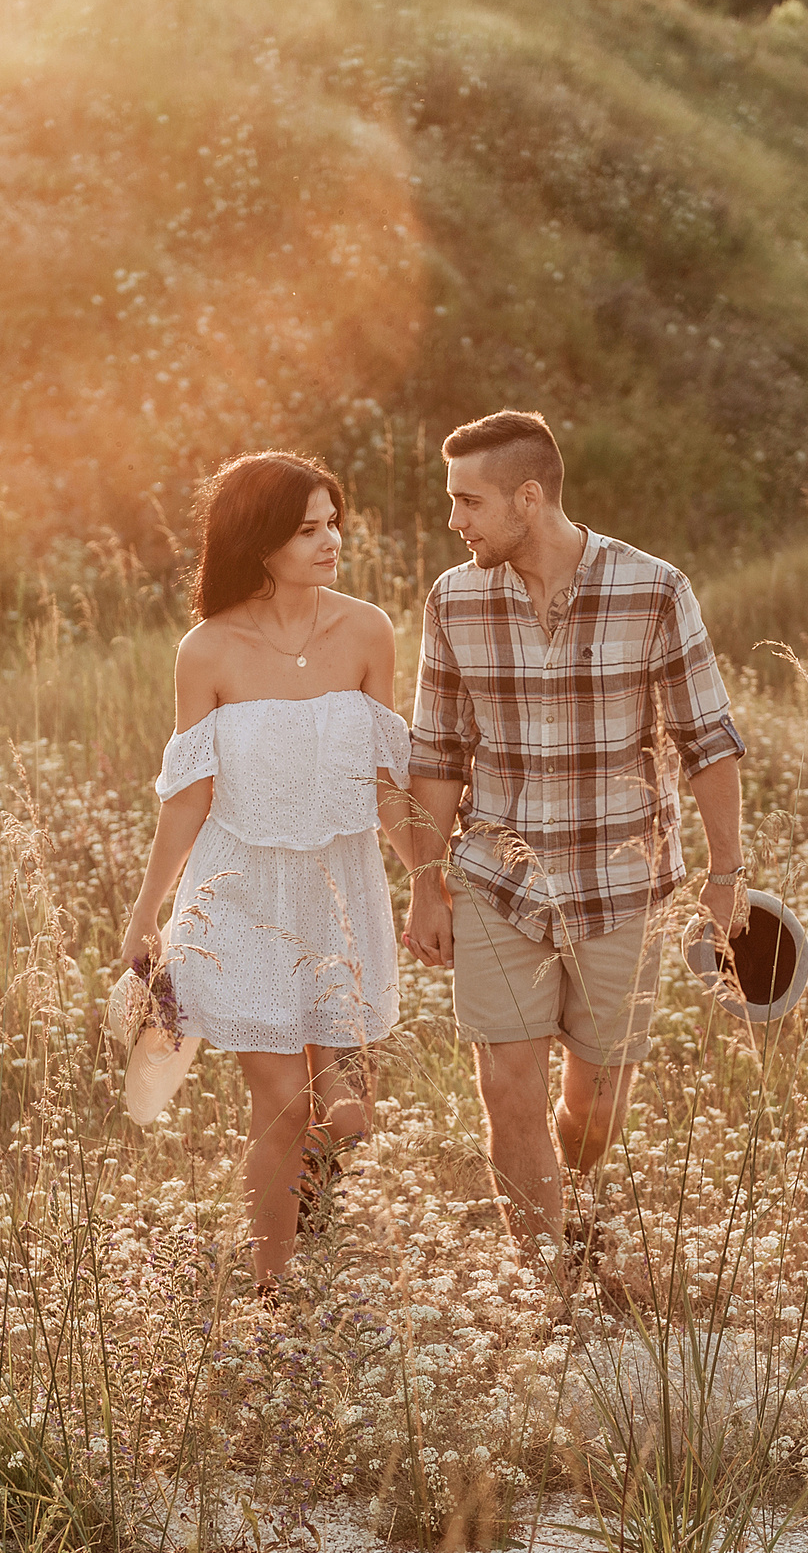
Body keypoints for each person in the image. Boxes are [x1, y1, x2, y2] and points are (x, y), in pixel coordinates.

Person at [401, 410, 748, 1260]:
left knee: (593, 1108)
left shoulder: (654, 589)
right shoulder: (453, 599)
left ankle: (575, 1187)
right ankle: (544, 1281)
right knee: (506, 1089)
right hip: (495, 881)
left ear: (529, 496)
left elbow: (707, 741)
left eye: (469, 501)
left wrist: (726, 873)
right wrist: (423, 881)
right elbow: (438, 752)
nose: (454, 519)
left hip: (620, 884)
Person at [122, 451, 422, 1288]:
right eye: (307, 530)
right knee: (284, 1103)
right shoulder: (207, 649)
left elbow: (388, 783)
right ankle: (272, 1291)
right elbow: (188, 795)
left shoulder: (367, 631)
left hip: (339, 891)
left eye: (333, 524)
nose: (331, 542)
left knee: (344, 1115)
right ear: (260, 543)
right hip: (240, 894)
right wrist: (147, 912)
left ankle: (307, 1206)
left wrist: (430, 884)